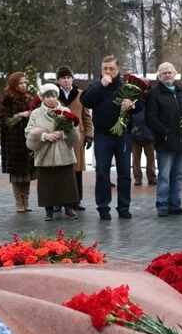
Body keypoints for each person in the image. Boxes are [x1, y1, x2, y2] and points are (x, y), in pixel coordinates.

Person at [80, 55, 140, 220]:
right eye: (105, 69)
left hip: (123, 135)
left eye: (111, 69)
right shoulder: (96, 84)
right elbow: (86, 100)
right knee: (102, 172)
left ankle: (124, 206)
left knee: (124, 172)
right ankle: (103, 207)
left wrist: (132, 105)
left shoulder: (127, 85)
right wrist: (101, 85)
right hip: (102, 135)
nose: (108, 72)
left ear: (118, 69)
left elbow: (140, 104)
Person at [25, 84, 80, 221]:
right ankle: (48, 210)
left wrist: (62, 134)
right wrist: (44, 136)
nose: (51, 99)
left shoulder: (65, 111)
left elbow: (73, 130)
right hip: (45, 153)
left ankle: (69, 208)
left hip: (63, 151)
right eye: (48, 96)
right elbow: (28, 131)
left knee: (66, 181)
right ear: (42, 98)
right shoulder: (36, 114)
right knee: (46, 183)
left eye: (54, 96)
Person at [145, 62, 182, 217]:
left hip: (181, 140)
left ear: (175, 74)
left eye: (170, 72)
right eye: (164, 73)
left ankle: (175, 204)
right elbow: (150, 118)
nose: (167, 75)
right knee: (164, 176)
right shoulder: (154, 94)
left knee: (179, 175)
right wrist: (164, 133)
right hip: (165, 141)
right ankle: (162, 205)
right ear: (159, 75)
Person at [56, 66, 94, 212]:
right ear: (58, 80)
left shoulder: (80, 94)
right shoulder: (54, 94)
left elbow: (86, 117)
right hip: (59, 136)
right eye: (63, 78)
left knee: (76, 170)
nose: (66, 80)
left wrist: (89, 135)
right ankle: (58, 201)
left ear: (72, 79)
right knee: (60, 169)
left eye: (68, 77)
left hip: (77, 135)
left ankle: (76, 200)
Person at [0, 72, 37, 213]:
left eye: (25, 82)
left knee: (27, 173)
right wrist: (20, 115)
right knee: (16, 174)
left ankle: (26, 199)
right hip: (13, 141)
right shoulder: (7, 100)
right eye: (20, 83)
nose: (23, 85)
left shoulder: (28, 99)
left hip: (27, 140)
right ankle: (18, 201)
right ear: (14, 84)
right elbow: (4, 119)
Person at [131, 109, 157, 186]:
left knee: (150, 157)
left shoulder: (150, 99)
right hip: (135, 132)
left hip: (149, 133)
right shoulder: (133, 99)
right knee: (135, 158)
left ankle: (151, 177)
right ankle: (137, 178)